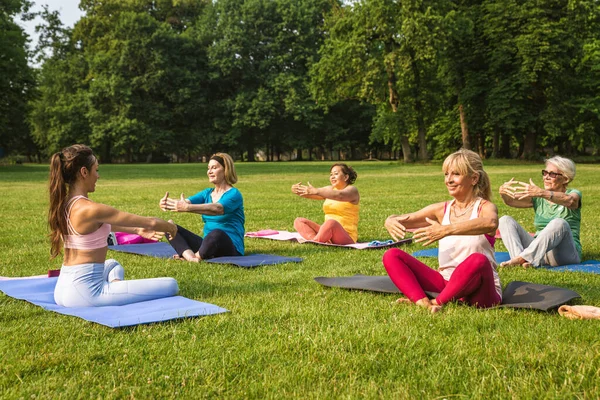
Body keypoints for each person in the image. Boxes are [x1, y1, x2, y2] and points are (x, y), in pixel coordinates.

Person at [49, 144, 179, 308]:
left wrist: (137, 230)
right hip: (86, 294)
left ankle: (116, 287)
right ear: (84, 172)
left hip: (63, 288)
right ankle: (113, 290)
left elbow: (99, 228)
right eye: (96, 170)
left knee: (113, 264)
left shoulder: (64, 205)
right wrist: (171, 228)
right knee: (171, 284)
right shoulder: (91, 209)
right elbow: (151, 222)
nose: (98, 176)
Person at [382, 149, 501, 313]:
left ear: (474, 178)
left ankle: (438, 301)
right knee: (392, 255)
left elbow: (491, 223)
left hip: (480, 292)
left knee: (478, 260)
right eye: (446, 174)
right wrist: (390, 220)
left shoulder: (485, 207)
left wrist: (446, 230)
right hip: (446, 283)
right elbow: (403, 219)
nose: (449, 180)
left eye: (456, 174)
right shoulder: (441, 209)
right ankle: (422, 302)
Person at [498, 156, 581, 268]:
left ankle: (524, 258)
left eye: (552, 174)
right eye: (545, 173)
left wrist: (542, 193)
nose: (546, 177)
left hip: (563, 254)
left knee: (559, 223)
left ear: (565, 179)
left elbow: (570, 201)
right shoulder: (539, 197)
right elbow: (511, 201)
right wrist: (503, 193)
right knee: (505, 220)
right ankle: (519, 260)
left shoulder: (573, 193)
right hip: (539, 251)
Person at [160, 153, 245, 261]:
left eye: (214, 168)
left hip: (231, 248)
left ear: (225, 170)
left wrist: (188, 208)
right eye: (208, 168)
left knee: (216, 233)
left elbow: (218, 209)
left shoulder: (234, 194)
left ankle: (196, 256)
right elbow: (186, 202)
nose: (209, 171)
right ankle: (190, 257)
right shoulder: (207, 193)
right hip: (208, 245)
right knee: (168, 227)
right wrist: (167, 203)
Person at [291, 163, 360, 245]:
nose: (332, 176)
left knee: (331, 223)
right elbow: (309, 194)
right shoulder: (329, 189)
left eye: (336, 174)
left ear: (346, 177)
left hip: (347, 236)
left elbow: (339, 195)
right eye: (331, 174)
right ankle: (315, 240)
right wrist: (295, 190)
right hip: (328, 230)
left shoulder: (352, 190)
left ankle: (317, 241)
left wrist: (317, 191)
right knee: (299, 221)